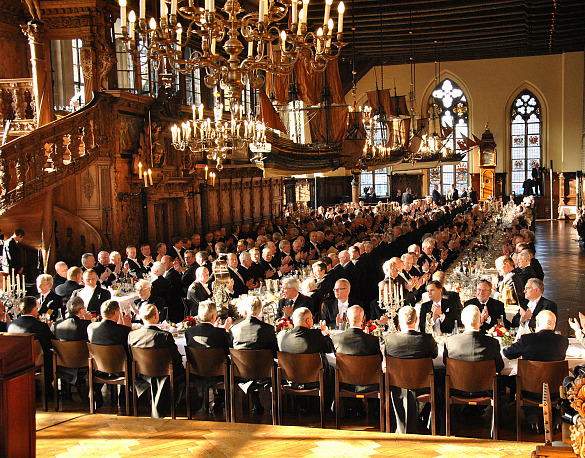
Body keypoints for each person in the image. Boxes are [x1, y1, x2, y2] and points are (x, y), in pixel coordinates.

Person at [503, 310, 568, 432]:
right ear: (554, 325)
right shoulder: (563, 341)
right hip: (555, 391)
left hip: (530, 391)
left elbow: (508, 353)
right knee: (552, 383)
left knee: (519, 382)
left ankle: (532, 419)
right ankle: (556, 420)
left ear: (537, 324)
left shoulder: (527, 339)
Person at [385, 306, 438, 434]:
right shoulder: (427, 339)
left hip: (397, 384)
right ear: (417, 320)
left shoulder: (390, 340)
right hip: (422, 385)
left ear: (399, 320)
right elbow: (435, 355)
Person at [127, 303, 185, 418]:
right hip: (165, 374)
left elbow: (131, 356)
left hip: (142, 373)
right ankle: (182, 403)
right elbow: (176, 359)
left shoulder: (132, 335)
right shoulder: (165, 336)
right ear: (156, 316)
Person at [229, 297, 279, 414]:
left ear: (245, 311)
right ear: (260, 310)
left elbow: (229, 348)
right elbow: (275, 352)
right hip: (265, 372)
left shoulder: (235, 329)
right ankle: (274, 404)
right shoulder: (268, 329)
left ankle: (256, 402)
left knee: (249, 364)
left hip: (241, 372)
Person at [7, 296, 55, 385]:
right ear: (33, 310)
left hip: (15, 361)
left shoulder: (10, 325)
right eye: (37, 308)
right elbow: (52, 343)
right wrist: (47, 329)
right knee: (51, 355)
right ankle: (48, 386)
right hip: (35, 361)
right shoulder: (40, 326)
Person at [444, 304, 504, 373]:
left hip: (459, 382)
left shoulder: (450, 342)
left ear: (462, 320)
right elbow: (499, 367)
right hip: (484, 383)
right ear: (481, 320)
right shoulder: (492, 343)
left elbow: (446, 363)